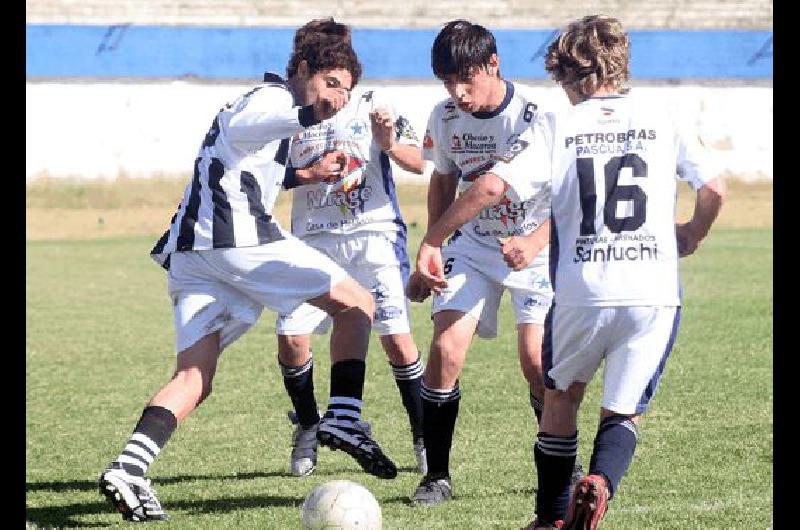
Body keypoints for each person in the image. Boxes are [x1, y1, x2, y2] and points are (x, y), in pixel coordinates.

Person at [97, 21, 399, 523]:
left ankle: (129, 468)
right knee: (359, 305)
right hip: (238, 239)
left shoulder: (272, 110)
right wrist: (309, 112)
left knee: (195, 375)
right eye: (330, 84)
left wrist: (305, 172)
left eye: (345, 90)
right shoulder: (270, 99)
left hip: (194, 254)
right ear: (302, 71)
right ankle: (345, 419)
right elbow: (248, 128)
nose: (338, 98)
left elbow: (244, 160)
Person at [523, 15, 726, 530]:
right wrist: (692, 233)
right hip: (651, 291)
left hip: (580, 288)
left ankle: (549, 518)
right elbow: (715, 189)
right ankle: (600, 483)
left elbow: (505, 187)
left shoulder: (559, 122)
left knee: (562, 395)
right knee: (622, 412)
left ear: (571, 75)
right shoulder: (665, 114)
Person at [407, 19, 580, 506]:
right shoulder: (443, 117)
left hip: (536, 246)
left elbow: (570, 194)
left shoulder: (537, 114)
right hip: (474, 247)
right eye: (447, 82)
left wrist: (537, 239)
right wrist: (434, 246)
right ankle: (436, 476)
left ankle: (562, 459)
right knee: (444, 352)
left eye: (467, 79)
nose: (458, 92)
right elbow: (443, 181)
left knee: (536, 361)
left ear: (493, 65)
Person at [273, 19, 428, 478]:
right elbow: (266, 178)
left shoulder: (372, 103)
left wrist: (389, 144)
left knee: (398, 342)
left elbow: (420, 161)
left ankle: (424, 436)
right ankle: (308, 424)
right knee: (291, 338)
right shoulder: (291, 114)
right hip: (314, 242)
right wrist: (309, 174)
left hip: (373, 235)